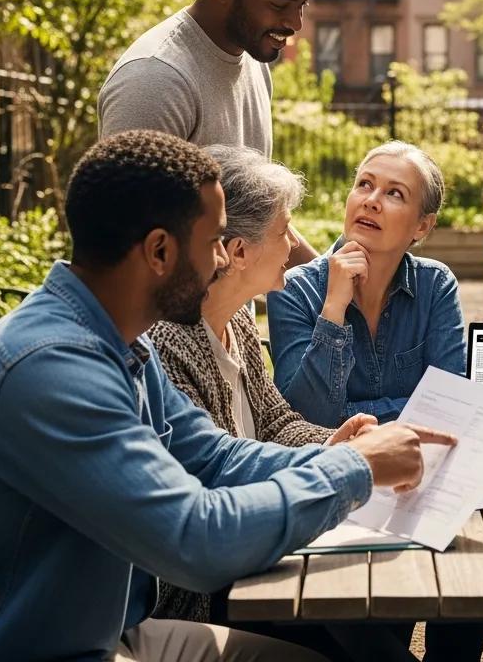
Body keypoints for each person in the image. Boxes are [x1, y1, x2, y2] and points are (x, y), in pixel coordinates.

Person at [0, 130, 454, 662]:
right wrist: (352, 469)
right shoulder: (56, 368)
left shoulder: (120, 337)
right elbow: (194, 537)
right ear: (161, 252)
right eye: (214, 240)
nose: (223, 257)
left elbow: (215, 453)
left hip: (119, 630)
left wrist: (338, 451)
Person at [150, 145, 378, 624]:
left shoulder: (239, 319)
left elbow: (275, 422)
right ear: (236, 252)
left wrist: (337, 444)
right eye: (283, 230)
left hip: (257, 548)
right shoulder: (166, 344)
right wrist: (337, 465)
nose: (295, 244)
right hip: (213, 590)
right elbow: (213, 476)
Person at [99, 0, 329, 265]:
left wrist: (327, 279)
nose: (295, 23)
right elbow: (125, 244)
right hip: (168, 324)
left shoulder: (254, 61)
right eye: (280, 5)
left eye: (302, 4)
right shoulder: (157, 79)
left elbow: (259, 219)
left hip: (228, 322)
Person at [268, 141, 467, 426]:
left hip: (417, 461)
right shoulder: (294, 290)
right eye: (364, 184)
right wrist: (333, 311)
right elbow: (306, 421)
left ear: (422, 226)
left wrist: (347, 416)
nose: (371, 200)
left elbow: (450, 405)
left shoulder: (435, 285)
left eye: (394, 193)